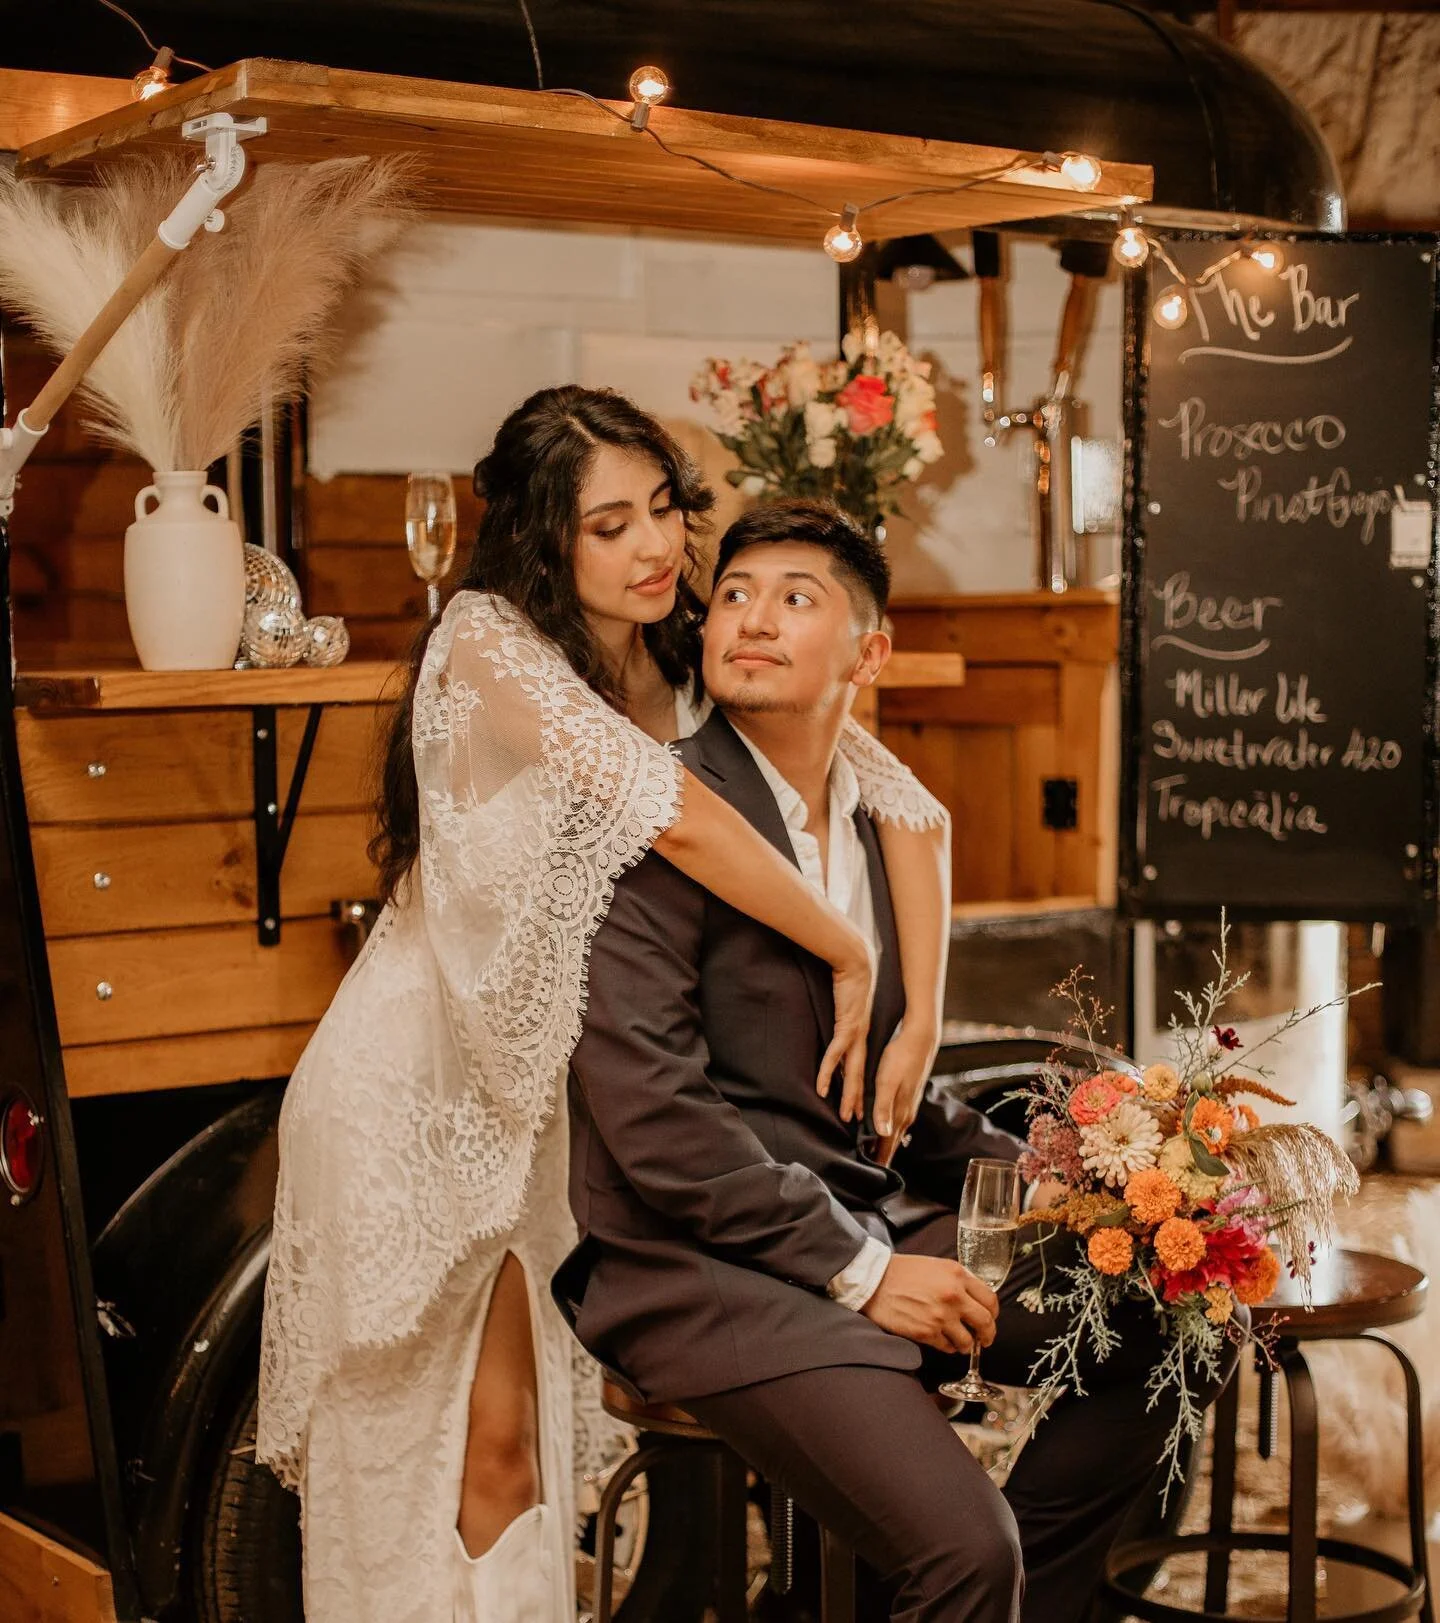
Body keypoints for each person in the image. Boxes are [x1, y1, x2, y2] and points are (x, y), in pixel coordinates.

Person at [256, 390, 954, 1623]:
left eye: (669, 510)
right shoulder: (487, 641)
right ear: (544, 539)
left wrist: (918, 1011)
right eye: (611, 525)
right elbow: (678, 814)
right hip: (416, 1091)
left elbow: (903, 802)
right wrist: (846, 949)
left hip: (534, 1103)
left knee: (514, 1463)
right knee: (444, 1460)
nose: (659, 549)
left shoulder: (673, 651)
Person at [560, 499, 1241, 1623]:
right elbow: (655, 1119)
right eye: (733, 593)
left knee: (1175, 1320)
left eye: (795, 598)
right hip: (695, 1268)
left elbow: (874, 1090)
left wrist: (1061, 1170)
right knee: (964, 1551)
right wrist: (868, 1274)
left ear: (867, 654)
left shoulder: (880, 825)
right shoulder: (652, 815)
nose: (751, 619)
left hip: (858, 1215)